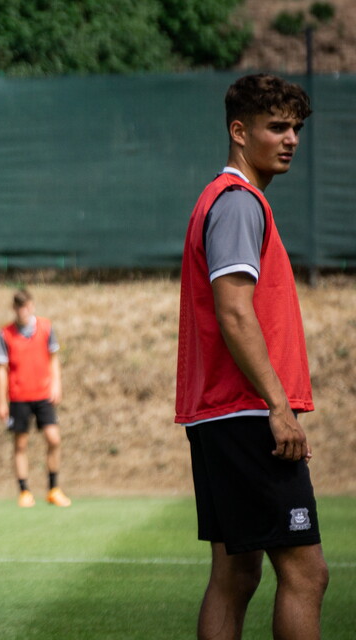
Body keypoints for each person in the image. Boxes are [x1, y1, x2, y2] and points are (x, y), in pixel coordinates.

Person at [176, 73, 329, 640]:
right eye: (277, 126)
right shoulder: (239, 203)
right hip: (246, 414)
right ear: (239, 132)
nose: (291, 139)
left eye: (296, 128)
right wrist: (278, 405)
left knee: (236, 574)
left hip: (221, 415)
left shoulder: (224, 200)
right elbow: (235, 313)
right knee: (307, 574)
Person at [0, 289, 71, 508]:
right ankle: (24, 491)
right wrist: (1, 401)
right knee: (21, 444)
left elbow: (53, 358)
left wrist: (56, 384)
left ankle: (53, 489)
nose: (22, 310)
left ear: (32, 306)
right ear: (14, 309)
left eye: (25, 306)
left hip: (43, 394)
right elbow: (1, 369)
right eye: (18, 306)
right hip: (19, 396)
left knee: (54, 438)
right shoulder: (5, 333)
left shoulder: (46, 327)